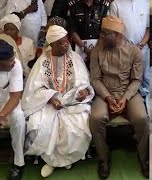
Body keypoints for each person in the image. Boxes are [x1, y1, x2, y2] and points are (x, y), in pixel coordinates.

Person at [21, 25, 94, 177]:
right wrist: (52, 98)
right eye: (61, 43)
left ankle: (66, 159)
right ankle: (52, 161)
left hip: (73, 101)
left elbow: (83, 83)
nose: (66, 45)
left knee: (78, 123)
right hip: (48, 102)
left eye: (66, 41)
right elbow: (35, 89)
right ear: (52, 44)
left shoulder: (75, 57)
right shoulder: (43, 61)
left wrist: (82, 92)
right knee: (39, 124)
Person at [90, 16, 148, 179]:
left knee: (142, 118)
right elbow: (95, 79)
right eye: (101, 32)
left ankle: (144, 158)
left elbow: (137, 80)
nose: (100, 36)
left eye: (105, 33)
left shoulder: (134, 52)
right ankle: (103, 159)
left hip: (128, 93)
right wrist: (108, 97)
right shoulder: (97, 50)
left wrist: (125, 98)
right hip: (104, 93)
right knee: (96, 118)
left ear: (117, 35)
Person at [110, 0, 150, 117]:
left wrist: (141, 44)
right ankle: (128, 112)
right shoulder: (116, 4)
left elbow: (148, 29)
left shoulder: (146, 3)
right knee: (128, 81)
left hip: (143, 49)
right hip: (123, 51)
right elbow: (114, 29)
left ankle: (146, 115)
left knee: (146, 82)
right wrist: (128, 47)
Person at [0, 40, 25, 180]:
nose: (13, 62)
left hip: (8, 103)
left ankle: (18, 163)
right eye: (9, 61)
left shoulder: (16, 65)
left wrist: (2, 115)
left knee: (18, 117)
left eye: (13, 57)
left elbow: (15, 97)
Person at [0, 14, 36, 79]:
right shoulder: (1, 44)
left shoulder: (28, 43)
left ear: (17, 31)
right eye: (6, 29)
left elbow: (31, 63)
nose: (8, 32)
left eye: (12, 30)